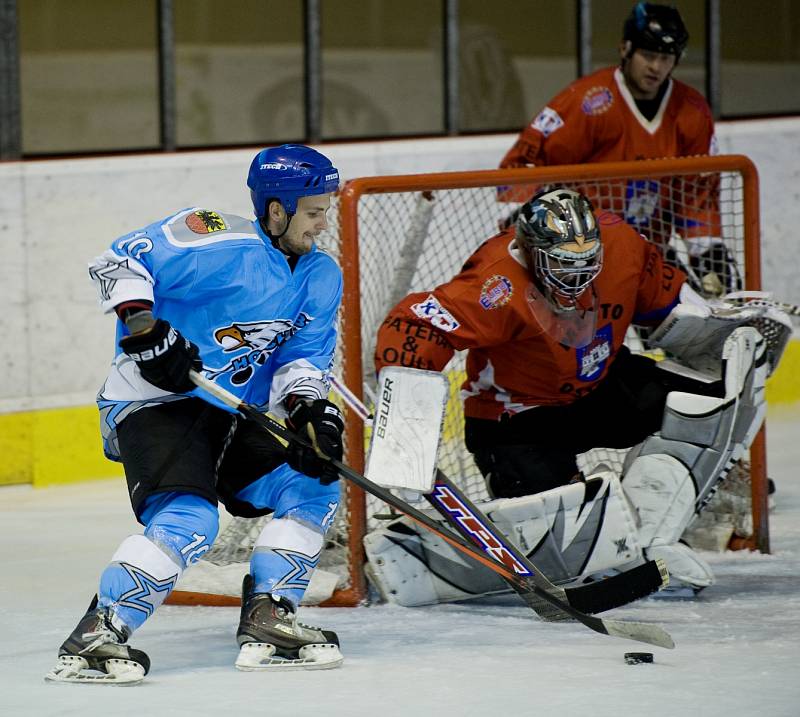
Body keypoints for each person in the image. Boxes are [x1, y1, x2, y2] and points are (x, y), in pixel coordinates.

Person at [372, 188, 787, 598]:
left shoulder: (624, 245)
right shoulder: (494, 283)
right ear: (532, 251)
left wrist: (721, 331)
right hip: (518, 417)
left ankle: (663, 528)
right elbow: (417, 326)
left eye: (586, 264)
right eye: (562, 266)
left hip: (602, 385)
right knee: (567, 541)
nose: (576, 278)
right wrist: (407, 419)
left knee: (709, 400)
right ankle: (604, 540)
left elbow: (670, 307)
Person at [46, 144, 346, 683]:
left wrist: (308, 412)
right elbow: (119, 260)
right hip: (154, 402)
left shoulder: (321, 275)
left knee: (311, 484)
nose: (323, 224)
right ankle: (100, 631)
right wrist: (145, 329)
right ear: (276, 209)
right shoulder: (212, 235)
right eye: (314, 212)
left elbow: (303, 357)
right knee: (191, 520)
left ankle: (270, 613)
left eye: (327, 210)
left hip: (235, 415)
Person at [499, 3, 737, 296]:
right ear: (625, 49)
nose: (656, 67)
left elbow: (697, 193)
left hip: (649, 251)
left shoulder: (692, 112)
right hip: (582, 258)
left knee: (688, 329)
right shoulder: (588, 103)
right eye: (648, 55)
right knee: (595, 339)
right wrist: (524, 227)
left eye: (666, 58)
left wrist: (707, 251)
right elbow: (523, 165)